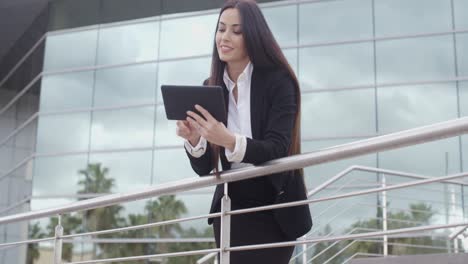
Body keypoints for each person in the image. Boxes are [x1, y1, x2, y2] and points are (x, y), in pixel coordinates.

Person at [175, 0, 312, 263]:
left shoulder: (279, 81)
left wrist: (227, 139)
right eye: (221, 29)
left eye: (236, 31)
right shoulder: (210, 86)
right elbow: (205, 168)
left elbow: (277, 147)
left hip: (275, 206)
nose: (224, 37)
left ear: (254, 36)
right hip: (231, 206)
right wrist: (195, 140)